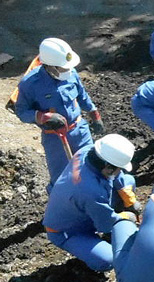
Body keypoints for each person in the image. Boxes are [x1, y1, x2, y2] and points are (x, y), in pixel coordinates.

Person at [15, 38, 104, 193]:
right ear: (49, 66)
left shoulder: (72, 73)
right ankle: (61, 209)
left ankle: (92, 201)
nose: (67, 71)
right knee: (61, 179)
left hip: (80, 131)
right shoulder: (30, 84)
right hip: (55, 138)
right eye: (62, 69)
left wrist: (94, 114)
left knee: (91, 167)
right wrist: (43, 117)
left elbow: (82, 96)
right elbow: (21, 112)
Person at [43, 134, 140, 272]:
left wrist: (128, 197)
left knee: (128, 181)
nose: (120, 171)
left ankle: (107, 238)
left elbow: (117, 176)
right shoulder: (90, 191)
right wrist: (125, 217)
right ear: (108, 168)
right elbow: (105, 223)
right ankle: (89, 257)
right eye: (119, 168)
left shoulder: (88, 151)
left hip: (81, 206)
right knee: (108, 260)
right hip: (67, 230)